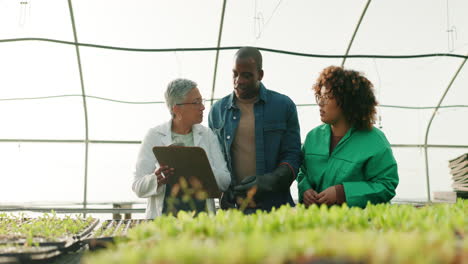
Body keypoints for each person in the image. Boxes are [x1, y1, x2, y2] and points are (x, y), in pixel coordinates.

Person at [209, 47, 302, 213]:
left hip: (276, 206)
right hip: (235, 207)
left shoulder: (283, 106)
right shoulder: (217, 111)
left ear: (260, 75)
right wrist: (223, 190)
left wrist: (269, 181)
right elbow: (214, 159)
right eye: (235, 74)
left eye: (247, 75)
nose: (239, 80)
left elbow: (293, 155)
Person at [297, 66, 399, 208]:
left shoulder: (374, 140)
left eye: (327, 97)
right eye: (320, 96)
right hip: (317, 222)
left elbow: (386, 185)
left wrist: (342, 193)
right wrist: (305, 190)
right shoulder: (313, 137)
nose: (320, 103)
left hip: (358, 224)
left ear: (347, 101)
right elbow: (303, 173)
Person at [132, 78, 231, 219]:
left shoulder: (208, 135)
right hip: (164, 221)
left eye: (201, 101)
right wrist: (156, 179)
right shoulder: (154, 135)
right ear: (177, 108)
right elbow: (137, 186)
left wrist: (201, 166)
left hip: (201, 221)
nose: (202, 107)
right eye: (196, 102)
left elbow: (225, 181)